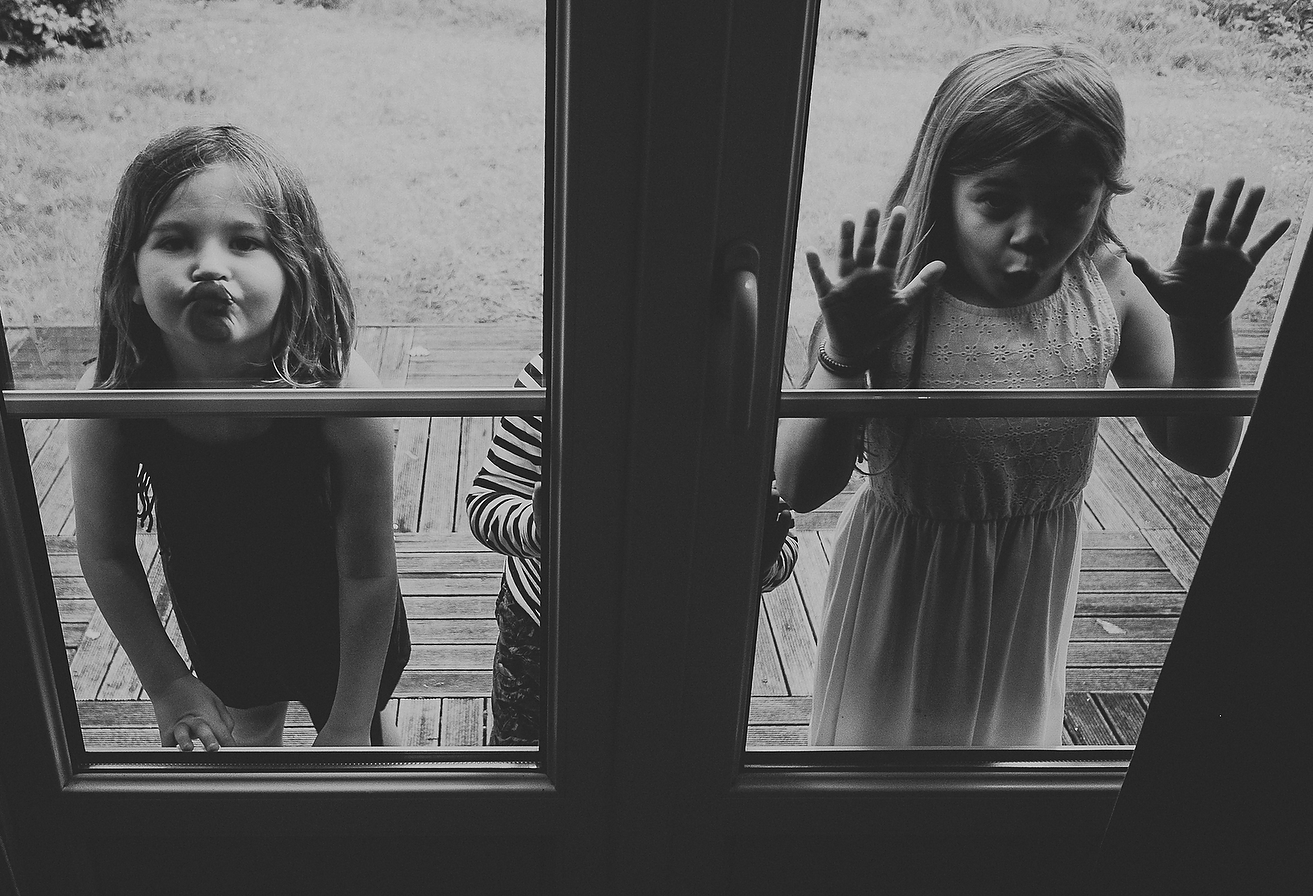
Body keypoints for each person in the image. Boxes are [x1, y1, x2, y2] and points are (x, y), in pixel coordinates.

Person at [775, 39, 1290, 747]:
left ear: (1103, 194)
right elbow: (800, 486)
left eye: (1070, 202)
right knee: (878, 766)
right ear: (942, 184)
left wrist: (1204, 325)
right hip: (901, 589)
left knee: (1003, 769)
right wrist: (846, 354)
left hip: (1028, 590)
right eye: (995, 199)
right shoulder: (894, 295)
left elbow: (1202, 449)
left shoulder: (1107, 285)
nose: (1031, 234)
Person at [69, 125, 409, 750]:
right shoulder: (112, 398)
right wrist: (167, 682)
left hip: (346, 618)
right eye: (174, 241)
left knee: (371, 746)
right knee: (248, 744)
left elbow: (368, 570)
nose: (209, 266)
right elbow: (106, 554)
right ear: (130, 277)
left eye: (245, 241)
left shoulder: (337, 388)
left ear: (295, 268)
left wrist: (350, 724)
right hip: (222, 619)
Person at [467, 354, 800, 746]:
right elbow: (486, 500)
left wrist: (753, 560)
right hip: (548, 628)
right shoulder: (557, 369)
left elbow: (782, 531)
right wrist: (545, 532)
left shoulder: (745, 378)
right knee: (526, 760)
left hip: (686, 638)